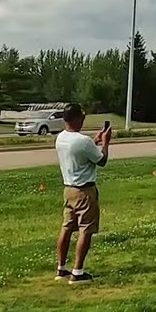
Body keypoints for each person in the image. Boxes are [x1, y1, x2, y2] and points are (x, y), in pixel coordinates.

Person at [54, 102, 110, 284]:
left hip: (68, 190)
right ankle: (77, 273)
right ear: (78, 118)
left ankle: (61, 268)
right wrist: (105, 143)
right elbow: (101, 161)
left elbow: (81, 151)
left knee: (67, 227)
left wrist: (95, 141)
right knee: (86, 230)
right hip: (84, 192)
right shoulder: (82, 141)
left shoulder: (61, 138)